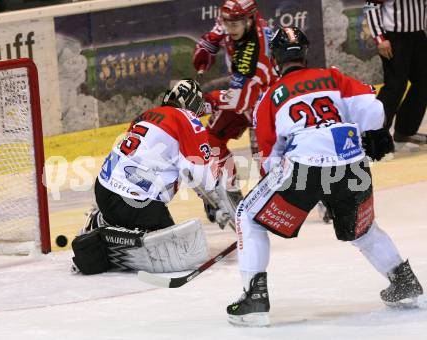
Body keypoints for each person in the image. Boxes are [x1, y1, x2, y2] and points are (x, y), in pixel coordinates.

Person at [226, 27, 423, 327]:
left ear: (276, 58)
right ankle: (404, 282)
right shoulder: (332, 76)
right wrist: (370, 133)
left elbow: (269, 157)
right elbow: (373, 110)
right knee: (363, 228)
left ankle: (254, 298)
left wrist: (279, 191)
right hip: (352, 164)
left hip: (304, 167)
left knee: (247, 215)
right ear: (305, 53)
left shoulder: (269, 98)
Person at [71, 79, 233, 275]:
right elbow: (201, 175)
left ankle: (102, 220)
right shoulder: (187, 119)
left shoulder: (144, 116)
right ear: (193, 104)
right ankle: (123, 233)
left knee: (148, 222)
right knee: (174, 252)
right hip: (136, 203)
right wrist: (215, 202)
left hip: (103, 191)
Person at [193, 0, 277, 205]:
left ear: (249, 21)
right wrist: (207, 46)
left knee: (265, 159)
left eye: (234, 25)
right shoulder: (235, 20)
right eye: (227, 23)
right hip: (242, 88)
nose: (230, 29)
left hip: (266, 99)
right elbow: (218, 30)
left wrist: (207, 99)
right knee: (210, 138)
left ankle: (312, 197)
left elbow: (240, 101)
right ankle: (231, 191)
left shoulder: (256, 51)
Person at [364, 0, 427, 145]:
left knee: (423, 83)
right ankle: (375, 137)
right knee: (396, 85)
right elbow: (371, 6)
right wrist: (380, 38)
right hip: (394, 38)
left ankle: (405, 131)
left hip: (418, 36)